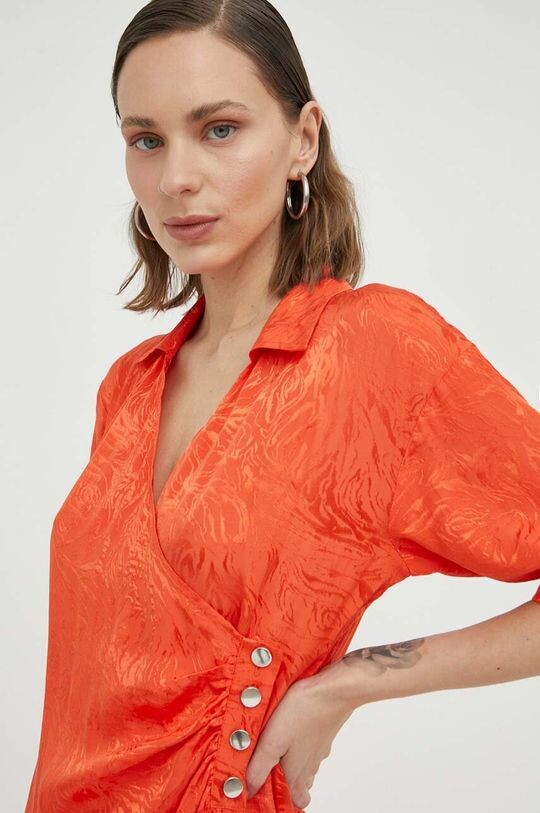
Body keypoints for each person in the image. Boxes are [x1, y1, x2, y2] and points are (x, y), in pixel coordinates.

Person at [25, 1, 540, 811]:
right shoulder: (130, 386)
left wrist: (345, 684)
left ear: (303, 139)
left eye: (219, 129)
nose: (176, 178)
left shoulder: (373, 349)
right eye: (146, 139)